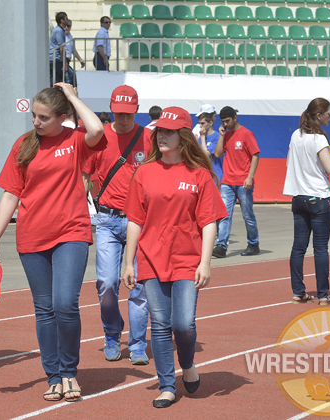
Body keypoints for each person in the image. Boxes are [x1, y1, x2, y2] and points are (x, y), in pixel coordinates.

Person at [0, 83, 105, 402]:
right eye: (34, 115)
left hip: (71, 233)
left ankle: (69, 372)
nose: (36, 122)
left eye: (44, 117)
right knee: (45, 309)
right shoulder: (24, 145)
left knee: (65, 303)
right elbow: (11, 194)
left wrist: (75, 96)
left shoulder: (75, 140)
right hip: (32, 236)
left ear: (62, 117)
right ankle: (53, 375)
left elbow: (97, 128)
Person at [121, 107, 227, 409]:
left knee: (183, 324)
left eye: (169, 132)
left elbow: (209, 222)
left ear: (183, 136)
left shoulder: (200, 175)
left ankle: (188, 364)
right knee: (160, 323)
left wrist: (205, 262)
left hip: (187, 261)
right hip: (151, 259)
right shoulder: (144, 172)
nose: (162, 136)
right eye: (159, 132)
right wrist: (129, 262)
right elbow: (135, 220)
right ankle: (167, 384)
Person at [82, 85, 152, 365]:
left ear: (136, 110)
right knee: (107, 283)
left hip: (142, 222)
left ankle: (137, 344)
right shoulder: (99, 138)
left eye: (129, 113)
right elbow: (85, 177)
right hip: (108, 220)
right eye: (119, 113)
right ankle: (112, 334)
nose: (123, 119)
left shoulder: (150, 139)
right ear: (111, 109)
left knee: (139, 287)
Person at [283, 98, 330, 307]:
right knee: (320, 248)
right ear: (319, 115)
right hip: (319, 197)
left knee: (298, 247)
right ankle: (323, 295)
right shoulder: (319, 139)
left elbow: (289, 162)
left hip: (298, 197)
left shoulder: (295, 135)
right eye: (329, 113)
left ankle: (298, 292)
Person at [212, 106, 261, 258]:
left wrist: (250, 177)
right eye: (223, 122)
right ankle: (221, 246)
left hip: (243, 182)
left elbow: (255, 155)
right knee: (225, 214)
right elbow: (218, 153)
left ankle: (253, 243)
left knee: (247, 214)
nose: (225, 124)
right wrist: (221, 135)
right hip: (228, 181)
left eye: (227, 121)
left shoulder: (246, 134)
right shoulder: (226, 135)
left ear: (235, 117)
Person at [198, 109, 224, 184]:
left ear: (210, 123)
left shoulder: (217, 137)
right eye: (199, 123)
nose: (200, 126)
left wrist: (203, 137)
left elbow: (206, 154)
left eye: (203, 123)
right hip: (203, 176)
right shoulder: (200, 139)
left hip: (215, 176)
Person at [64, 19, 85, 86]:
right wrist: (65, 63)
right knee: (69, 78)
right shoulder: (62, 35)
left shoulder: (70, 36)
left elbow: (73, 49)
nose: (66, 27)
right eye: (65, 26)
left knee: (72, 77)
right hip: (63, 60)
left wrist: (80, 60)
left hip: (67, 60)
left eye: (68, 26)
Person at [50, 12, 68, 85]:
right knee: (69, 76)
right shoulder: (59, 31)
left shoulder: (58, 30)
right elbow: (61, 48)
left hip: (54, 58)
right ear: (62, 20)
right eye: (66, 18)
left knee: (56, 79)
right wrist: (65, 64)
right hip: (56, 58)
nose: (67, 20)